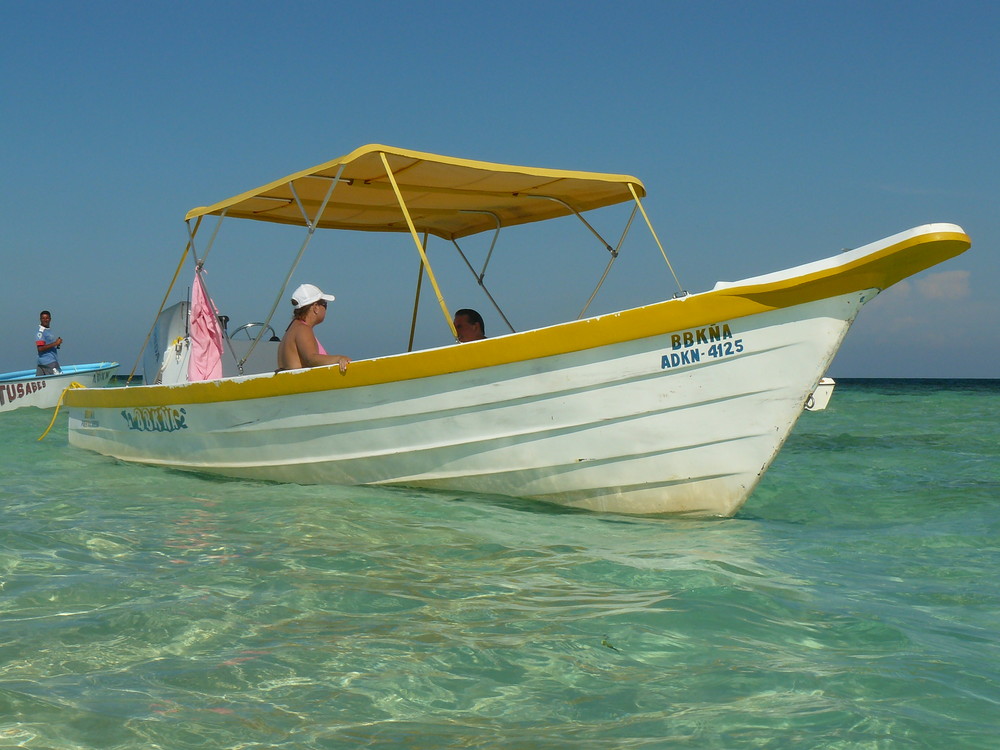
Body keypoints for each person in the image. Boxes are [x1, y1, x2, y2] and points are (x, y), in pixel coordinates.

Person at [277, 283, 351, 373]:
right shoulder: (302, 329)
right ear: (315, 307)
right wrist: (339, 358)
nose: (325, 309)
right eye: (324, 304)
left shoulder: (293, 328)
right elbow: (310, 358)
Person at [35, 310, 63, 375]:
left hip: (43, 362)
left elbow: (48, 344)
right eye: (43, 318)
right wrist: (55, 343)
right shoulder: (40, 332)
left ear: (50, 319)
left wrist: (57, 344)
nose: (45, 320)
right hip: (49, 362)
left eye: (47, 318)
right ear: (40, 319)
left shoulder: (48, 330)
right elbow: (40, 348)